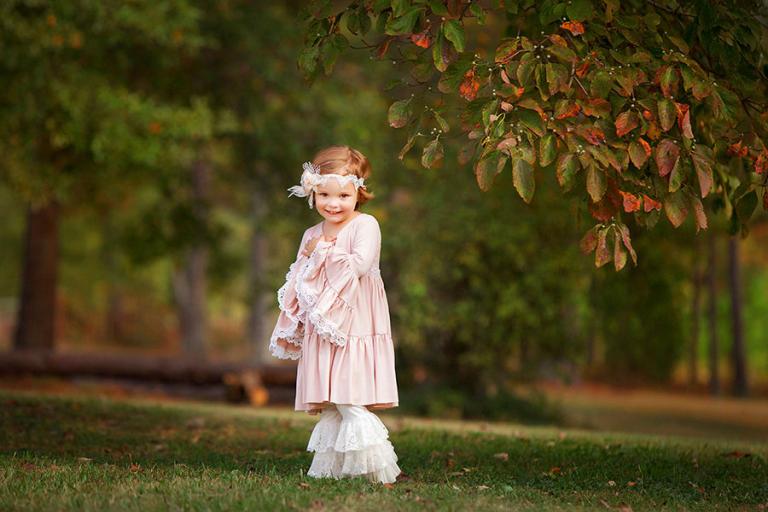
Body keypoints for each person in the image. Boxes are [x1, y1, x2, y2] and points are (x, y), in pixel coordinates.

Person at [268, 145, 401, 484]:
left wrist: (323, 252)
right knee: (332, 401)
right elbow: (299, 277)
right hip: (323, 325)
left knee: (349, 396)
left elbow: (357, 265)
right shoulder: (311, 234)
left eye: (342, 195)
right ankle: (334, 471)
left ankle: (381, 471)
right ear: (313, 194)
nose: (333, 203)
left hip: (356, 321)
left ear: (358, 192)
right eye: (324, 194)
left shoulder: (365, 225)